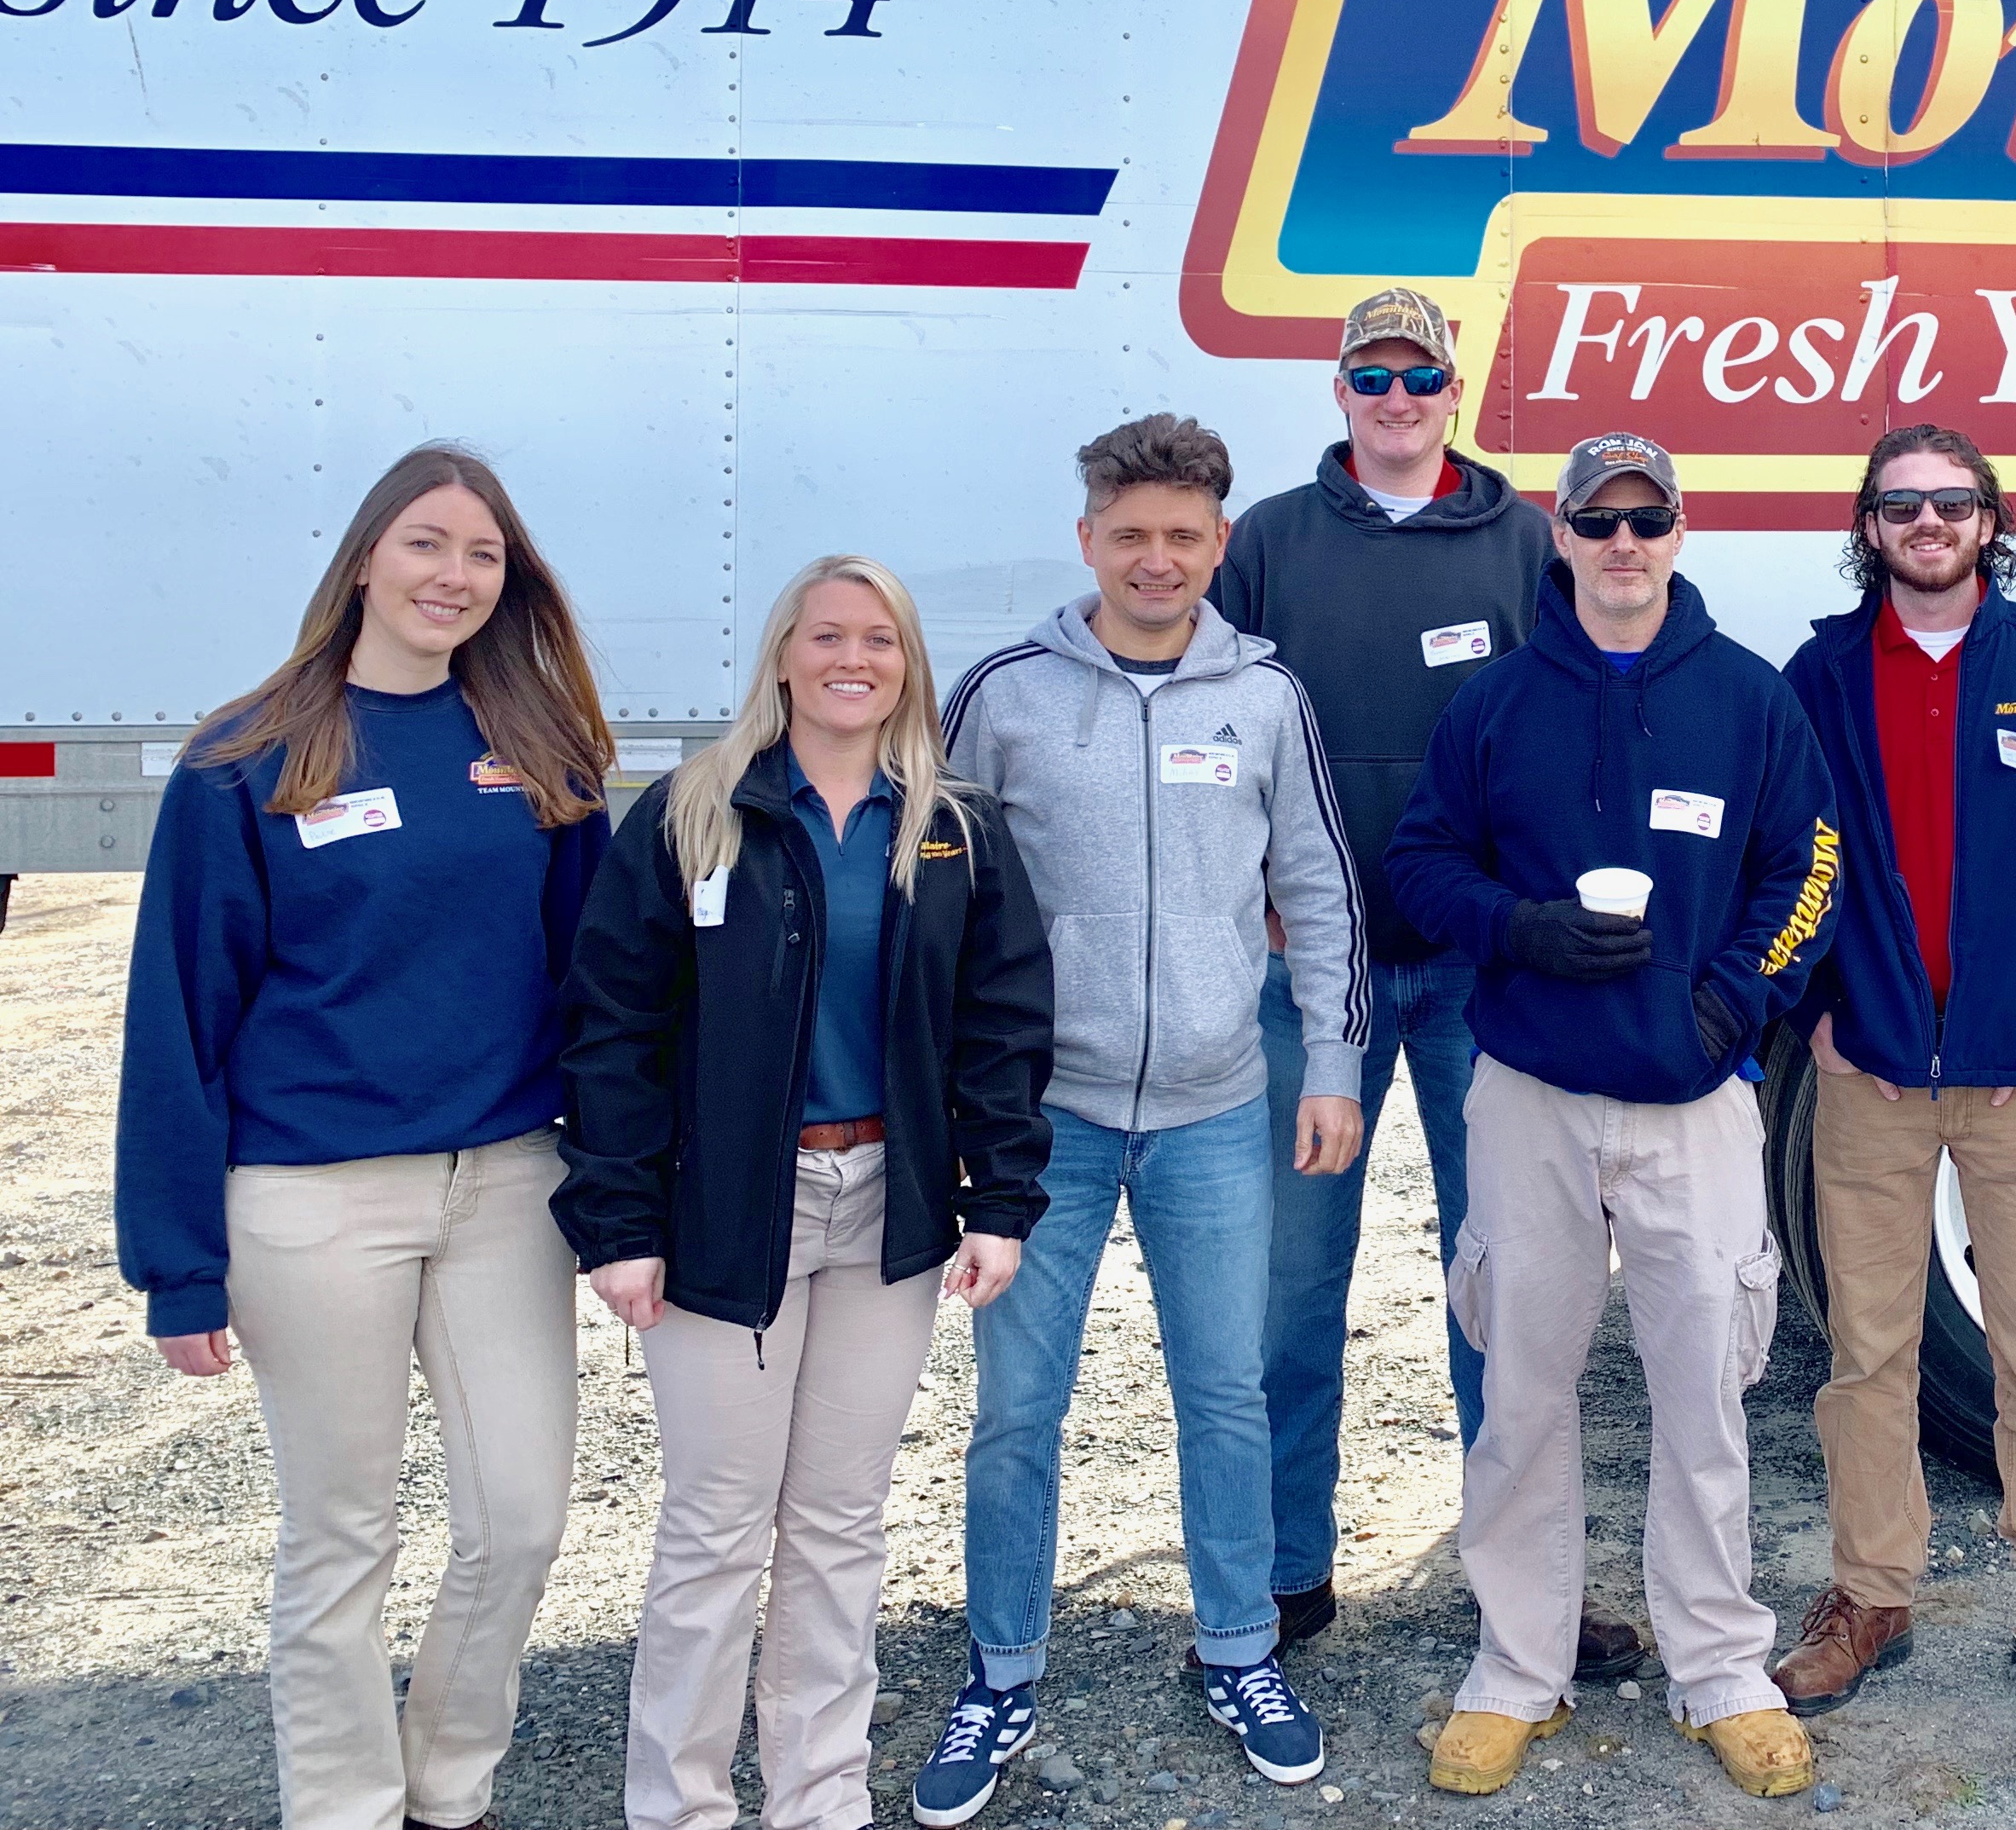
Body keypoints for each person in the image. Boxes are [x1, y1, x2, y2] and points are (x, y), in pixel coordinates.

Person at [114, 445, 612, 1830]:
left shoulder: (539, 752)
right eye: (425, 545)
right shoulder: (246, 758)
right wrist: (178, 1264)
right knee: (341, 1536)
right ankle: (342, 1806)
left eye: (484, 554)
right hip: (312, 1202)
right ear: (365, 561)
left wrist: (631, 1186)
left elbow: (600, 991)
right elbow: (178, 1020)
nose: (454, 576)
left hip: (506, 1187)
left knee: (520, 1520)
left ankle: (448, 1791)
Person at [915, 414, 1368, 1824]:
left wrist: (1335, 1063)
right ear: (1087, 540)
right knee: (1018, 1410)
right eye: (1130, 536)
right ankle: (1001, 1672)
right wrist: (951, 1099)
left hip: (1218, 1112)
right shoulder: (1005, 694)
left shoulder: (1267, 697)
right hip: (1042, 1123)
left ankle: (1240, 1649)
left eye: (1182, 535)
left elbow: (1320, 885)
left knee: (1225, 1395)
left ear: (1219, 543)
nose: (1155, 559)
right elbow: (935, 896)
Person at [555, 557, 1055, 1830]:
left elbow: (1002, 1023)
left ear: (909, 665)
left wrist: (999, 1200)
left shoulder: (951, 826)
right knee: (716, 1528)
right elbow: (613, 1026)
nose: (853, 659)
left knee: (840, 1523)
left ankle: (820, 1796)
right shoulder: (694, 814)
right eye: (827, 635)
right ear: (782, 655)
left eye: (879, 640)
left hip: (887, 1206)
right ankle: (677, 1805)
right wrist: (619, 1223)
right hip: (729, 1213)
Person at [1388, 432, 1843, 1804]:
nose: (1624, 544)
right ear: (1564, 538)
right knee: (1522, 1394)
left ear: (1680, 533)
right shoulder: (1497, 702)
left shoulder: (1750, 699)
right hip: (1530, 1096)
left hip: (1693, 1101)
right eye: (1599, 521)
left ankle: (1721, 1670)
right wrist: (1515, 928)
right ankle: (1515, 1670)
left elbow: (1810, 866)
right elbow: (1421, 860)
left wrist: (1739, 1001)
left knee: (1704, 1395)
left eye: (1648, 520)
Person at [1209, 289, 1642, 1675]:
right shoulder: (1268, 541)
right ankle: (1282, 1572)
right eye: (1372, 374)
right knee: (1291, 1284)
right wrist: (1248, 890)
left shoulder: (1527, 542)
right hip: (1312, 979)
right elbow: (1213, 727)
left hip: (1479, 974)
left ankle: (1526, 1579)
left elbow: (1583, 724)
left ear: (1457, 389)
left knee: (1507, 1282)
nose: (1396, 397)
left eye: (1420, 376)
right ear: (1339, 389)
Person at [1770, 427, 2016, 1735]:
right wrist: (1817, 1010)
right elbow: (1784, 854)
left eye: (1952, 502)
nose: (1929, 522)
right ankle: (1870, 1595)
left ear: (1990, 520)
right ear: (1869, 528)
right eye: (1903, 505)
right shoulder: (1823, 676)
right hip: (1873, 1081)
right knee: (1867, 1356)